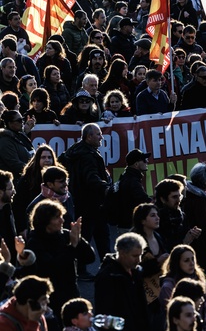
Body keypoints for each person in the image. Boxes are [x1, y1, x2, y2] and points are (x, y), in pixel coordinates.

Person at [22, 200, 95, 329]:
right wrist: (72, 247)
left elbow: (89, 257)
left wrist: (78, 240)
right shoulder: (34, 243)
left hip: (70, 291)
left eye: (61, 216)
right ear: (45, 221)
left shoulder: (65, 235)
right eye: (57, 217)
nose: (62, 221)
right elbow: (52, 267)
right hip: (50, 298)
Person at [58, 123, 111, 279]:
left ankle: (92, 268)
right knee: (100, 235)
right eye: (98, 134)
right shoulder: (88, 156)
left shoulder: (75, 151)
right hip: (92, 202)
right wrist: (105, 187)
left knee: (88, 235)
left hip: (80, 201)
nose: (101, 137)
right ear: (89, 137)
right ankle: (103, 267)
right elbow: (91, 177)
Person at [94, 233, 150, 330]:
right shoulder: (108, 276)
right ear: (122, 253)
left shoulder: (136, 272)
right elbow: (104, 311)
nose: (139, 260)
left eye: (140, 255)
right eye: (135, 256)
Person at [183, 163, 206, 269]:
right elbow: (205, 224)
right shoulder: (200, 199)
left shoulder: (187, 194)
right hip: (200, 242)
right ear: (205, 181)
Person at [0, 110, 35, 181]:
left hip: (26, 177)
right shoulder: (5, 140)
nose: (22, 122)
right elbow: (14, 163)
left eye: (22, 119)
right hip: (15, 181)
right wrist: (33, 169)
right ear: (10, 123)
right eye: (19, 120)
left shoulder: (20, 135)